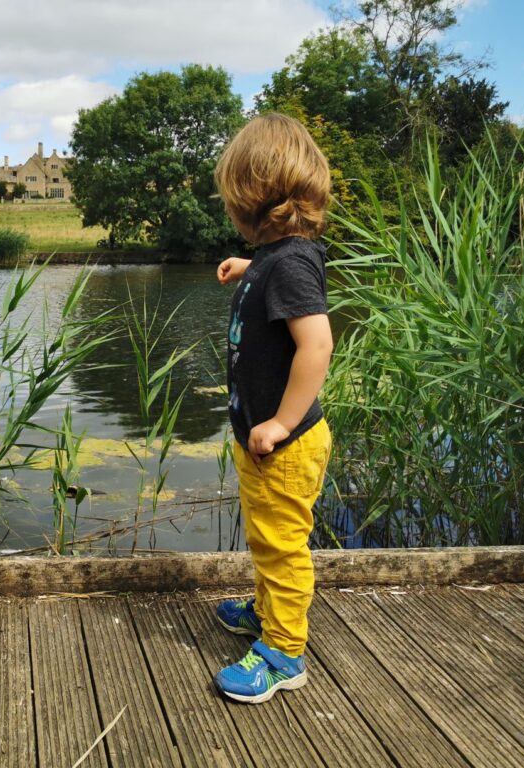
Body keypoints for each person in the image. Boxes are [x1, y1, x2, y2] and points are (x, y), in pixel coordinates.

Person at [210, 113, 334, 704]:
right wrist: (247, 266)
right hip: (264, 438)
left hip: (282, 442)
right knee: (267, 536)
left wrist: (282, 422)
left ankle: (285, 653)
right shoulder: (282, 259)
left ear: (250, 200)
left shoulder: (288, 264)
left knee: (282, 544)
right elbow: (279, 276)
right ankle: (265, 610)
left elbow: (317, 344)